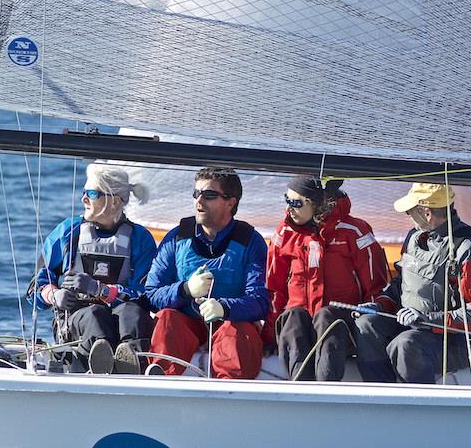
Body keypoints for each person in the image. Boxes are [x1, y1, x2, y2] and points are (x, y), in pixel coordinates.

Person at [353, 183, 471, 384]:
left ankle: (417, 408)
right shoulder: (413, 237)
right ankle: (381, 397)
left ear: (427, 212)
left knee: (406, 344)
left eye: (410, 211)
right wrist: (379, 305)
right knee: (366, 325)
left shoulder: (468, 249)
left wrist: (428, 319)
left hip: (457, 340)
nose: (408, 216)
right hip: (412, 327)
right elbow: (400, 285)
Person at [28, 163, 156, 374]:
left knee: (131, 312)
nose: (84, 199)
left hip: (121, 316)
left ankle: (131, 361)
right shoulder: (68, 232)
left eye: (92, 193)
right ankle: (100, 362)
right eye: (85, 192)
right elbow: (35, 287)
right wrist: (53, 295)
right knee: (95, 314)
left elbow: (147, 294)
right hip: (77, 318)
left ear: (115, 201)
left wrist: (102, 291)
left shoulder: (140, 239)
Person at [145, 166, 268, 378]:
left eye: (209, 195)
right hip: (188, 325)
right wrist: (185, 290)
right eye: (196, 194)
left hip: (228, 325)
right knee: (167, 319)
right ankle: (160, 384)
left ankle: (229, 393)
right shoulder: (177, 237)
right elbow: (152, 294)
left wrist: (224, 308)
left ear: (231, 202)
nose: (199, 201)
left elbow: (260, 301)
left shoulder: (251, 242)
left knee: (237, 332)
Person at [262, 175, 388, 381]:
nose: (289, 208)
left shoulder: (354, 232)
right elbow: (274, 289)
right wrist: (267, 337)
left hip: (342, 331)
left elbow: (377, 288)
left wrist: (370, 337)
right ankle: (301, 391)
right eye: (286, 199)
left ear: (317, 203)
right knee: (294, 316)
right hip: (299, 331)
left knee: (326, 316)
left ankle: (326, 389)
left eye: (296, 202)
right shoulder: (285, 232)